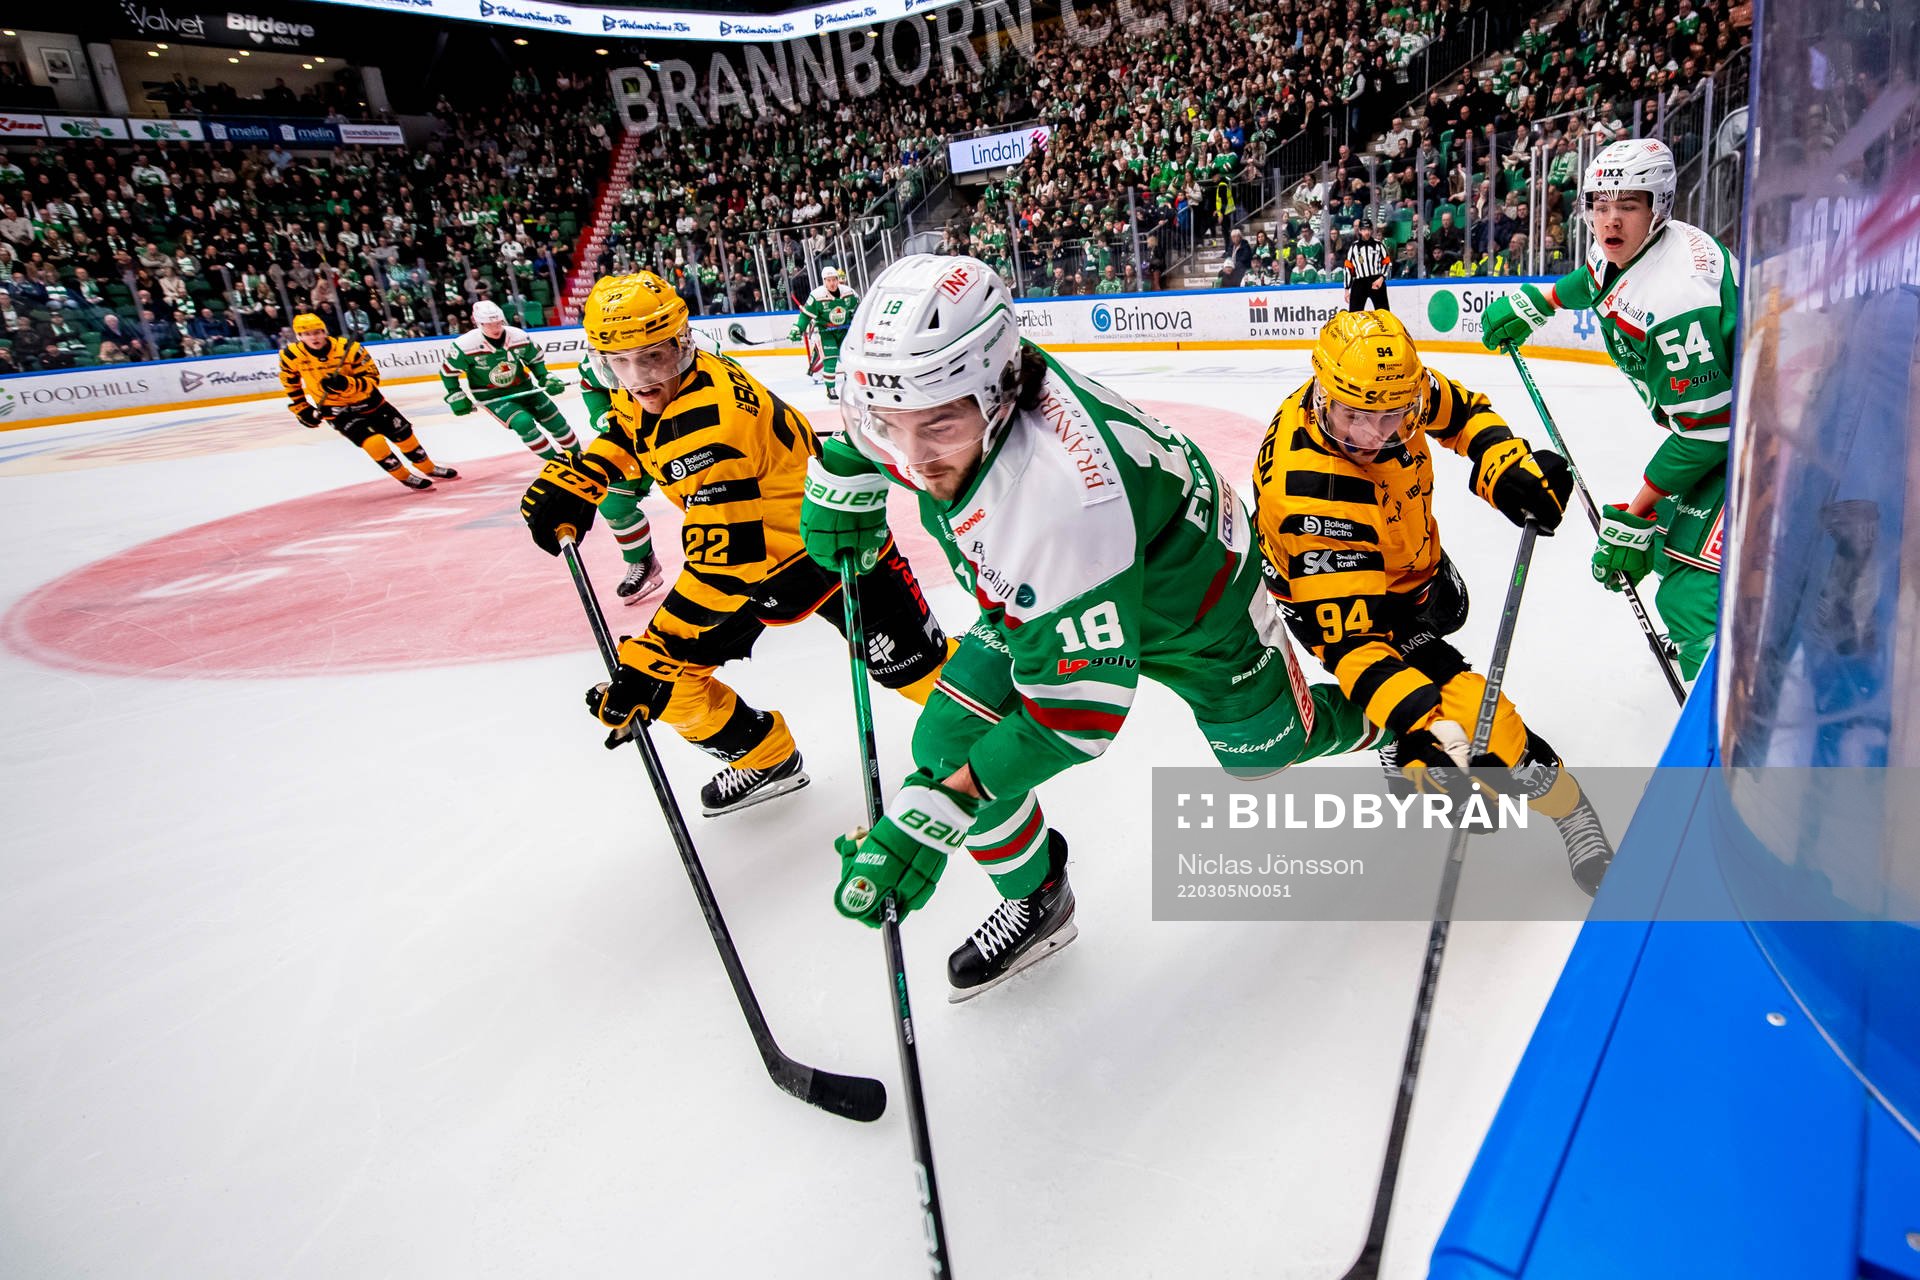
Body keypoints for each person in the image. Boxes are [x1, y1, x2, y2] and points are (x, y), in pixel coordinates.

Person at [798, 255, 1380, 1001]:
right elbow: (902, 416)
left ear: (997, 389)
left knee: (1268, 751)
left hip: (1195, 604)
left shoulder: (1059, 503)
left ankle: (1391, 719)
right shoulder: (983, 387)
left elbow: (1076, 716)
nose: (912, 462)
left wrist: (944, 810)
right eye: (887, 424)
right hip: (1071, 578)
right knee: (946, 746)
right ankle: (1040, 899)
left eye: (940, 423)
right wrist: (848, 463)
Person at [518, 272, 953, 817]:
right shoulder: (667, 382)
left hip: (829, 540)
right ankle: (767, 757)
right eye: (618, 362)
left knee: (924, 678)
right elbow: (630, 428)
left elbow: (725, 572)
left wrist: (653, 654)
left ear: (680, 344)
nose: (637, 380)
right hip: (758, 553)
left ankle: (1005, 730)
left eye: (651, 358)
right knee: (674, 687)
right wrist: (588, 473)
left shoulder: (712, 428)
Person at [1253, 311, 1614, 894]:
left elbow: (1465, 412)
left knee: (1447, 619)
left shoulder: (1387, 388)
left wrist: (1504, 467)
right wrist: (1425, 728)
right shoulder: (1313, 494)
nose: (1374, 436)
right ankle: (1570, 808)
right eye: (1355, 420)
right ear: (1323, 394)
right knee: (1482, 724)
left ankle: (1403, 738)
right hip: (1344, 599)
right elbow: (1354, 641)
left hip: (1408, 565)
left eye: (1392, 418)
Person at [1480, 139, 1732, 681]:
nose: (1609, 221)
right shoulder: (1631, 249)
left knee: (1691, 593)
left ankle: (1723, 697)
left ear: (1659, 205)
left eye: (1628, 205)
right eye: (1599, 205)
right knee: (1668, 542)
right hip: (1729, 423)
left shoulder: (1679, 297)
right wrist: (1538, 303)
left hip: (1760, 435)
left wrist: (1636, 511)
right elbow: (1593, 279)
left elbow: (1709, 433)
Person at [574, 323, 727, 606]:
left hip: (694, 437)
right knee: (613, 503)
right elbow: (590, 385)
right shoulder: (604, 352)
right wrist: (602, 415)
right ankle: (641, 560)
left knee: (711, 506)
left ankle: (734, 565)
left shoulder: (701, 348)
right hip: (636, 436)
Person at [279, 312, 456, 491]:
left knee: (404, 435)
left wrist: (346, 384)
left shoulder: (349, 348)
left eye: (317, 332)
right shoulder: (291, 356)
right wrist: (302, 409)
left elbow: (372, 378)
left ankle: (428, 467)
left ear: (324, 332)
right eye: (307, 334)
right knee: (374, 442)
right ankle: (404, 476)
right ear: (298, 336)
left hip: (370, 402)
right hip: (336, 410)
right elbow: (290, 384)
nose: (313, 337)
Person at [440, 299, 579, 462]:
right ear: (478, 323)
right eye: (488, 324)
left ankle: (578, 456)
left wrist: (545, 377)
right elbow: (448, 373)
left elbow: (535, 360)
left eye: (498, 323)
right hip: (491, 395)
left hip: (524, 388)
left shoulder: (518, 336)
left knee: (555, 421)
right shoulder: (464, 345)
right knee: (523, 423)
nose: (495, 328)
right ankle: (556, 461)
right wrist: (455, 394)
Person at [787, 265, 857, 400]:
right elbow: (806, 315)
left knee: (849, 358)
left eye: (834, 279)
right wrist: (797, 328)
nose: (832, 283)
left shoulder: (849, 293)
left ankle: (852, 385)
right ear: (824, 281)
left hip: (844, 331)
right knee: (830, 359)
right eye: (828, 280)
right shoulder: (817, 296)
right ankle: (830, 389)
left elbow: (858, 310)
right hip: (826, 332)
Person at [1343, 218, 1391, 311]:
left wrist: (1381, 278)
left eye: (1369, 229)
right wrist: (1346, 289)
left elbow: (1387, 263)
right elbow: (1348, 268)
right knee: (1355, 315)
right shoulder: (1354, 247)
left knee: (1384, 313)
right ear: (1360, 231)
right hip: (1359, 282)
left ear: (1372, 230)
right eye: (1364, 229)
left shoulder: (1379, 245)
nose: (1367, 232)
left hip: (1376, 281)